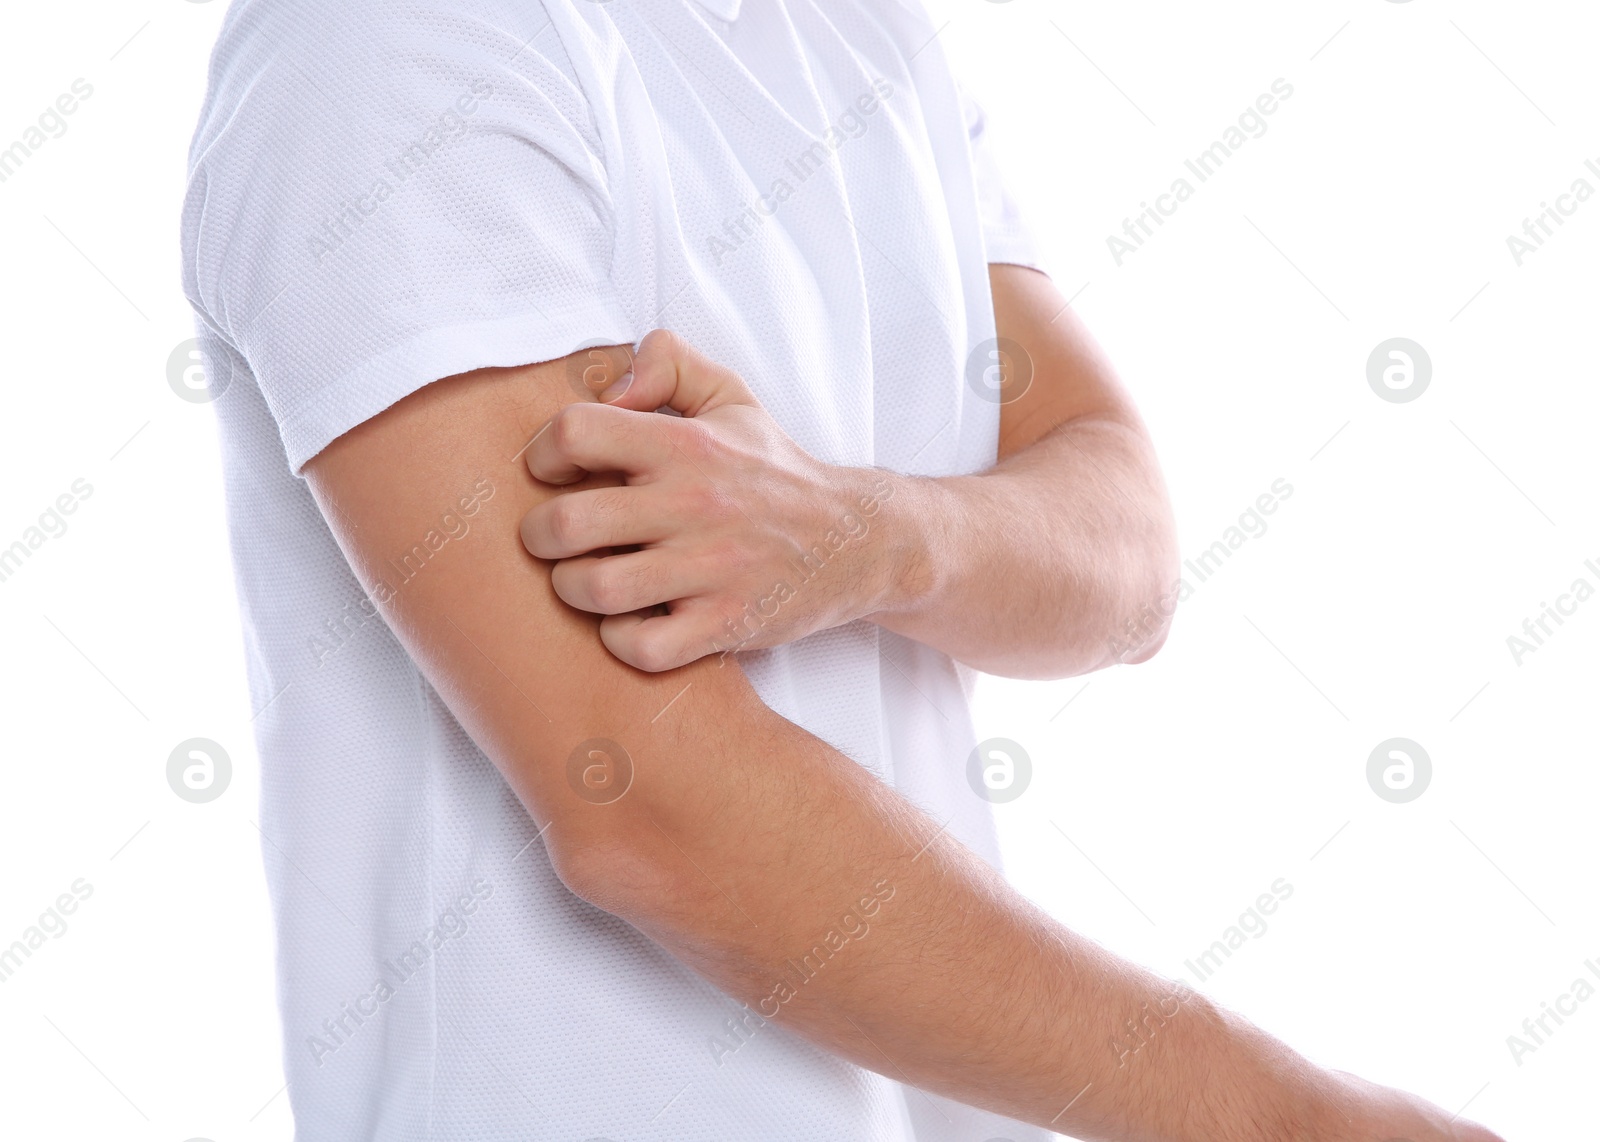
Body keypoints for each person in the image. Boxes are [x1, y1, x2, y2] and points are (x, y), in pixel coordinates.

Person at [180, 1, 1505, 1138]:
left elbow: (1127, 551)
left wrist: (867, 535)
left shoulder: (858, 29)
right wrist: (1287, 1118)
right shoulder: (388, 46)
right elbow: (646, 806)